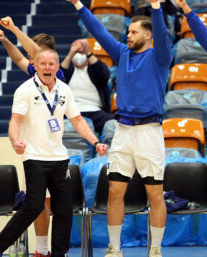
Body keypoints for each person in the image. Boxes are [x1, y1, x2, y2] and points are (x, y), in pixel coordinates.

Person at [68, 0, 172, 256]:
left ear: (148, 35)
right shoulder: (122, 53)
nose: (128, 35)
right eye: (128, 32)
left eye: (134, 32)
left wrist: (156, 7)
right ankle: (115, 248)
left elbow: (161, 32)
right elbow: (99, 32)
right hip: (123, 131)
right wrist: (79, 5)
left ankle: (155, 250)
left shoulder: (160, 57)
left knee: (155, 194)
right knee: (115, 190)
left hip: (149, 132)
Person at [0, 48, 108, 257]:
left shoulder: (64, 90)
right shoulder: (25, 90)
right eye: (43, 64)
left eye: (52, 64)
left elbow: (77, 120)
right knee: (33, 206)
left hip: (59, 158)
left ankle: (59, 254)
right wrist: (15, 141)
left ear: (58, 67)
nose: (47, 68)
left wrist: (95, 141)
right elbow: (15, 121)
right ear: (35, 66)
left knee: (64, 210)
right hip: (34, 157)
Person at [0, 17, 64, 257]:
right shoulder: (35, 72)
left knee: (50, 204)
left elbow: (32, 52)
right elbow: (18, 57)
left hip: (52, 150)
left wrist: (13, 29)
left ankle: (50, 250)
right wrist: (5, 41)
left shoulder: (55, 71)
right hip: (34, 150)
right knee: (38, 203)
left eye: (34, 54)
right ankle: (42, 249)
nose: (31, 60)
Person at [61, 38, 114, 135]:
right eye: (76, 51)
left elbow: (104, 75)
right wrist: (70, 54)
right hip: (72, 113)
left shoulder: (94, 69)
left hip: (96, 113)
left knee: (112, 123)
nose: (78, 53)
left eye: (81, 51)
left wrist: (88, 52)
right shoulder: (68, 71)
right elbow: (56, 79)